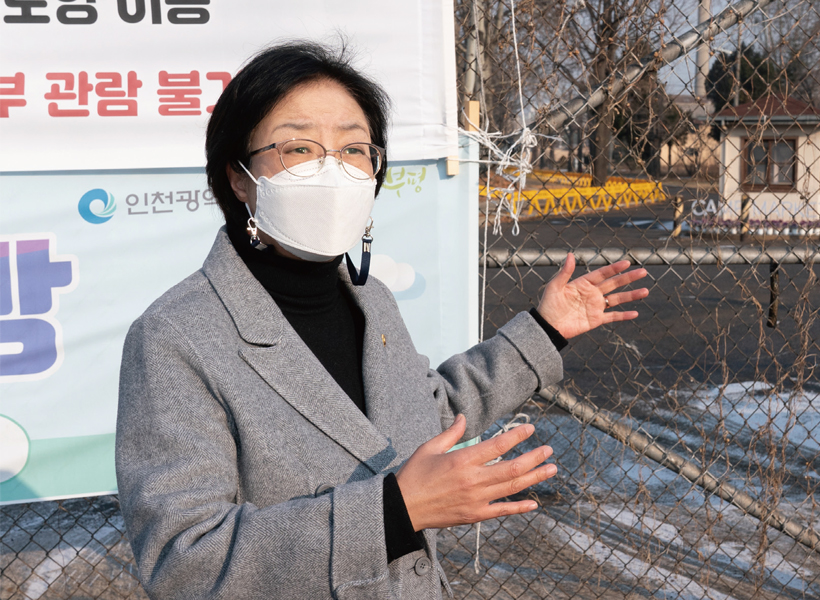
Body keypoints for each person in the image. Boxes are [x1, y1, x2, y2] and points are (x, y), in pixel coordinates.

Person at [115, 40, 648, 600]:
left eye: (353, 149)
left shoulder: (373, 300)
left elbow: (427, 413)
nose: (333, 170)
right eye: (298, 148)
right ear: (240, 177)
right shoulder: (176, 336)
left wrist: (543, 330)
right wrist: (396, 511)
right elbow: (183, 563)